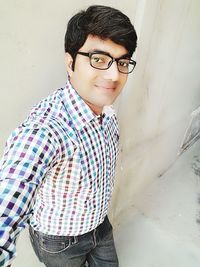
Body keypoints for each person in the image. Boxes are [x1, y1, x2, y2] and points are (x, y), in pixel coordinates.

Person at [0, 5, 137, 267]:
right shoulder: (46, 129)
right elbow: (10, 198)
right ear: (70, 62)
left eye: (122, 62)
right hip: (59, 241)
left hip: (100, 224)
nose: (114, 75)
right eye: (98, 59)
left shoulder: (107, 112)